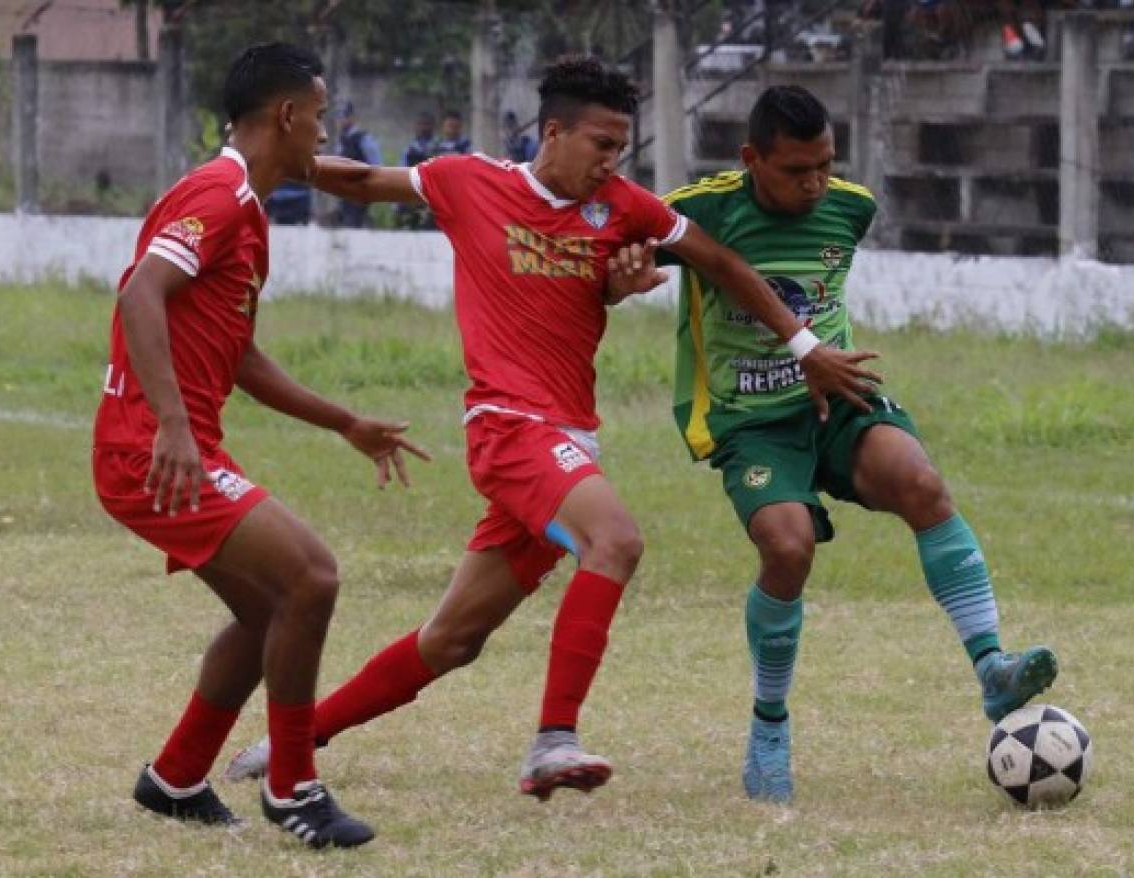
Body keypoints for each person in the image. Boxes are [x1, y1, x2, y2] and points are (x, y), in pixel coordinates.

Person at [223, 56, 879, 801]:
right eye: (600, 144)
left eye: (621, 148)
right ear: (554, 131)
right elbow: (361, 182)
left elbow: (722, 262)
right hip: (509, 429)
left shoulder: (624, 209)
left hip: (566, 443)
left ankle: (293, 738)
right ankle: (553, 740)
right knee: (617, 540)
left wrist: (799, 346)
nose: (612, 162)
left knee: (452, 640)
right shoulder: (472, 182)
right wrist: (269, 161)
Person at [616, 85, 1058, 803]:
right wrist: (622, 282)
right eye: (796, 170)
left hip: (839, 398)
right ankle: (768, 727)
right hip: (747, 417)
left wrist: (821, 356)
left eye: (825, 164)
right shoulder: (700, 208)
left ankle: (991, 669)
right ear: (751, 159)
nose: (816, 183)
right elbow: (619, 262)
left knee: (922, 483)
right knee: (787, 548)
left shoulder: (852, 207)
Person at [91, 42, 428, 847]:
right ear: (286, 115)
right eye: (318, 115)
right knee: (310, 577)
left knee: (264, 610)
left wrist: (342, 421)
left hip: (171, 441)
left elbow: (235, 355)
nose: (323, 130)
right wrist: (173, 426)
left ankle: (174, 778)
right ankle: (293, 787)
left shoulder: (244, 208)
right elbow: (141, 291)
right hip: (150, 448)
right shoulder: (219, 193)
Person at [334, 100, 382, 228]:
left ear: (352, 117)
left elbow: (376, 164)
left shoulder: (363, 138)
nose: (340, 120)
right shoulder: (341, 140)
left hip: (361, 192)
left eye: (344, 116)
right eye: (338, 116)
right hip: (345, 193)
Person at [397, 112, 437, 230]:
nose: (424, 128)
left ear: (433, 126)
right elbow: (401, 171)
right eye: (421, 124)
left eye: (427, 124)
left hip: (432, 196)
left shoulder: (438, 146)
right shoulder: (410, 149)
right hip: (412, 194)